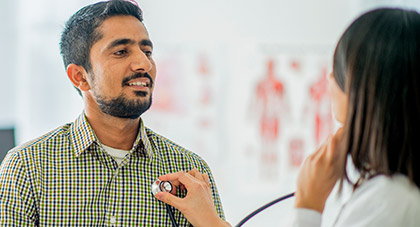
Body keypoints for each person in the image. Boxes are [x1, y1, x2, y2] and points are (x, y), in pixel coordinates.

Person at [154, 8, 420, 227]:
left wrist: (308, 204)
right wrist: (210, 220)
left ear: (365, 90)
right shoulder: (392, 193)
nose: (328, 80)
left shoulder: (391, 202)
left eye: (337, 71)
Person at [0, 0, 225, 225]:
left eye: (147, 51)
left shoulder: (189, 171)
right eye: (121, 51)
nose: (144, 64)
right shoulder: (27, 167)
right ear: (80, 77)